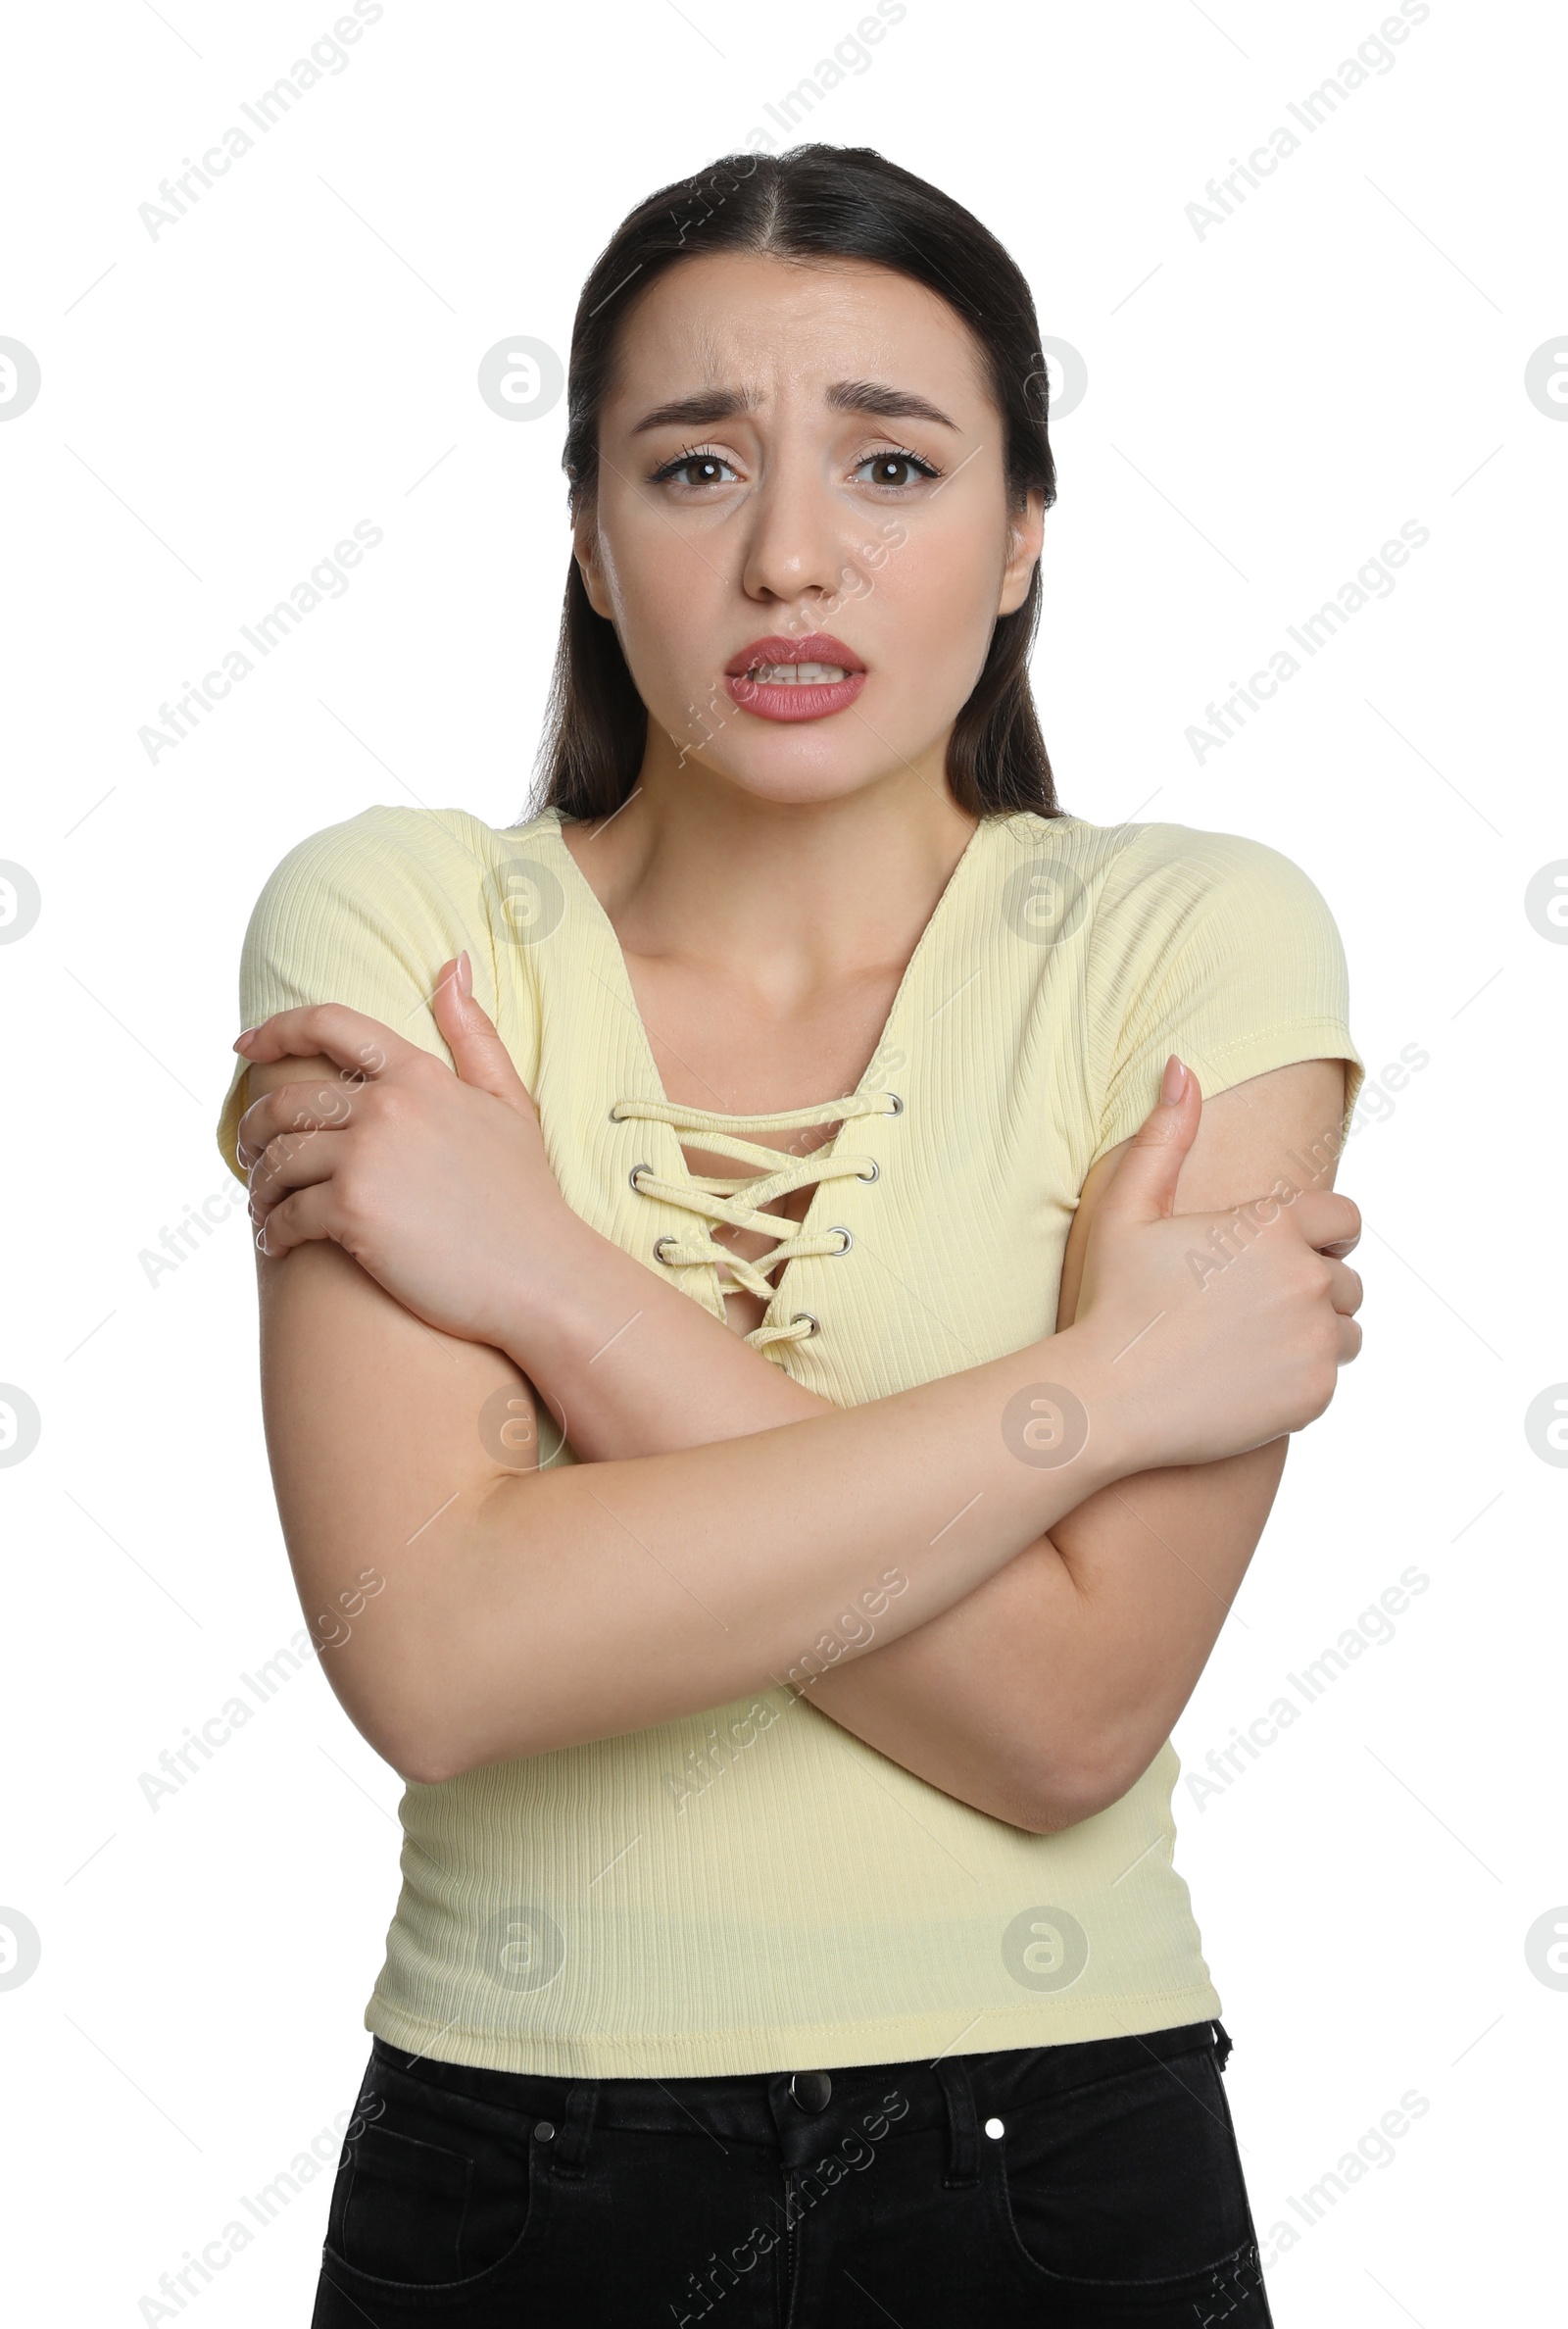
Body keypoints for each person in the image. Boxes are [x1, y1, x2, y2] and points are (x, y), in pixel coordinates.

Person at [218, 144, 1366, 2327]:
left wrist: (546, 1282)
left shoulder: (1185, 943)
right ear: (583, 534)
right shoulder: (399, 922)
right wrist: (1100, 1387)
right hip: (510, 2159)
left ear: (1024, 529)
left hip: (1055, 2158)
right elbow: (441, 1655)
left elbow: (1062, 1724)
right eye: (690, 466)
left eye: (893, 466)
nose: (788, 560)